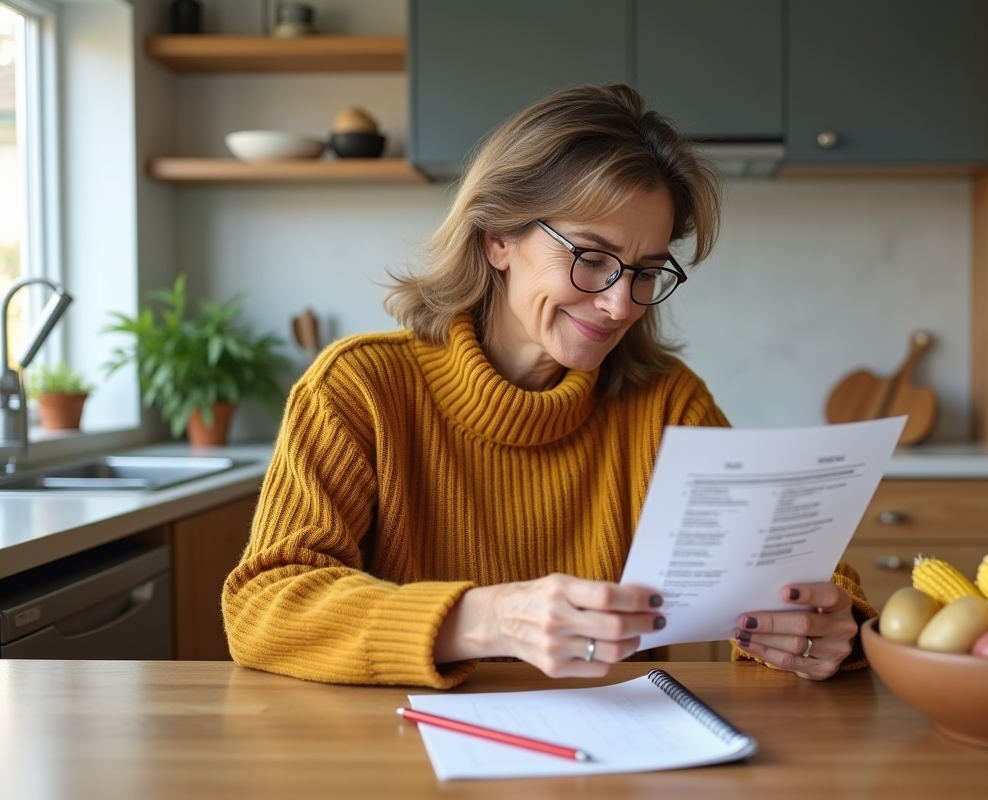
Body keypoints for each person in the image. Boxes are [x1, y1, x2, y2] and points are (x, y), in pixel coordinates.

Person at [222, 83, 874, 689]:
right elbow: (265, 602)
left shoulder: (667, 404)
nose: (622, 304)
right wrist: (492, 618)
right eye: (591, 259)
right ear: (498, 239)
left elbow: (787, 572)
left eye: (646, 272)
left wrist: (824, 624)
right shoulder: (359, 389)